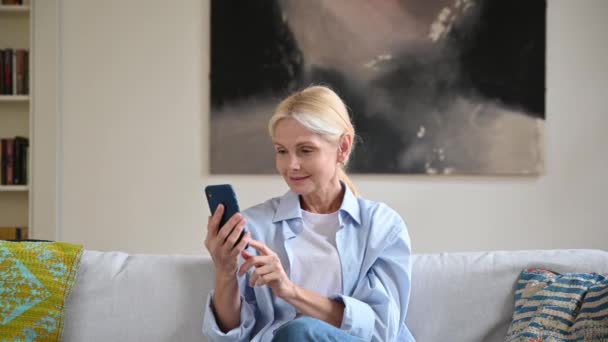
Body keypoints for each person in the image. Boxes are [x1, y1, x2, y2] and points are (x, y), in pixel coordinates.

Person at [202, 85, 415, 342]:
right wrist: (225, 271)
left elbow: (382, 330)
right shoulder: (256, 227)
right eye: (282, 151)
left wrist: (289, 290)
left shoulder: (381, 227)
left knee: (300, 331)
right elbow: (230, 336)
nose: (291, 165)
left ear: (343, 148)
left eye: (305, 150)